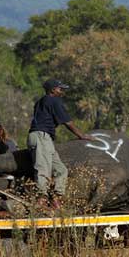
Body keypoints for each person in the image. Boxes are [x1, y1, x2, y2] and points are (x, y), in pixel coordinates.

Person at [27, 78, 90, 207]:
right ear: (52, 90)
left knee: (61, 170)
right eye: (60, 89)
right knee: (43, 169)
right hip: (41, 136)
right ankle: (41, 200)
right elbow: (67, 122)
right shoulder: (53, 100)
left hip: (45, 138)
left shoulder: (41, 102)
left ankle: (56, 198)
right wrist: (81, 135)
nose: (62, 91)